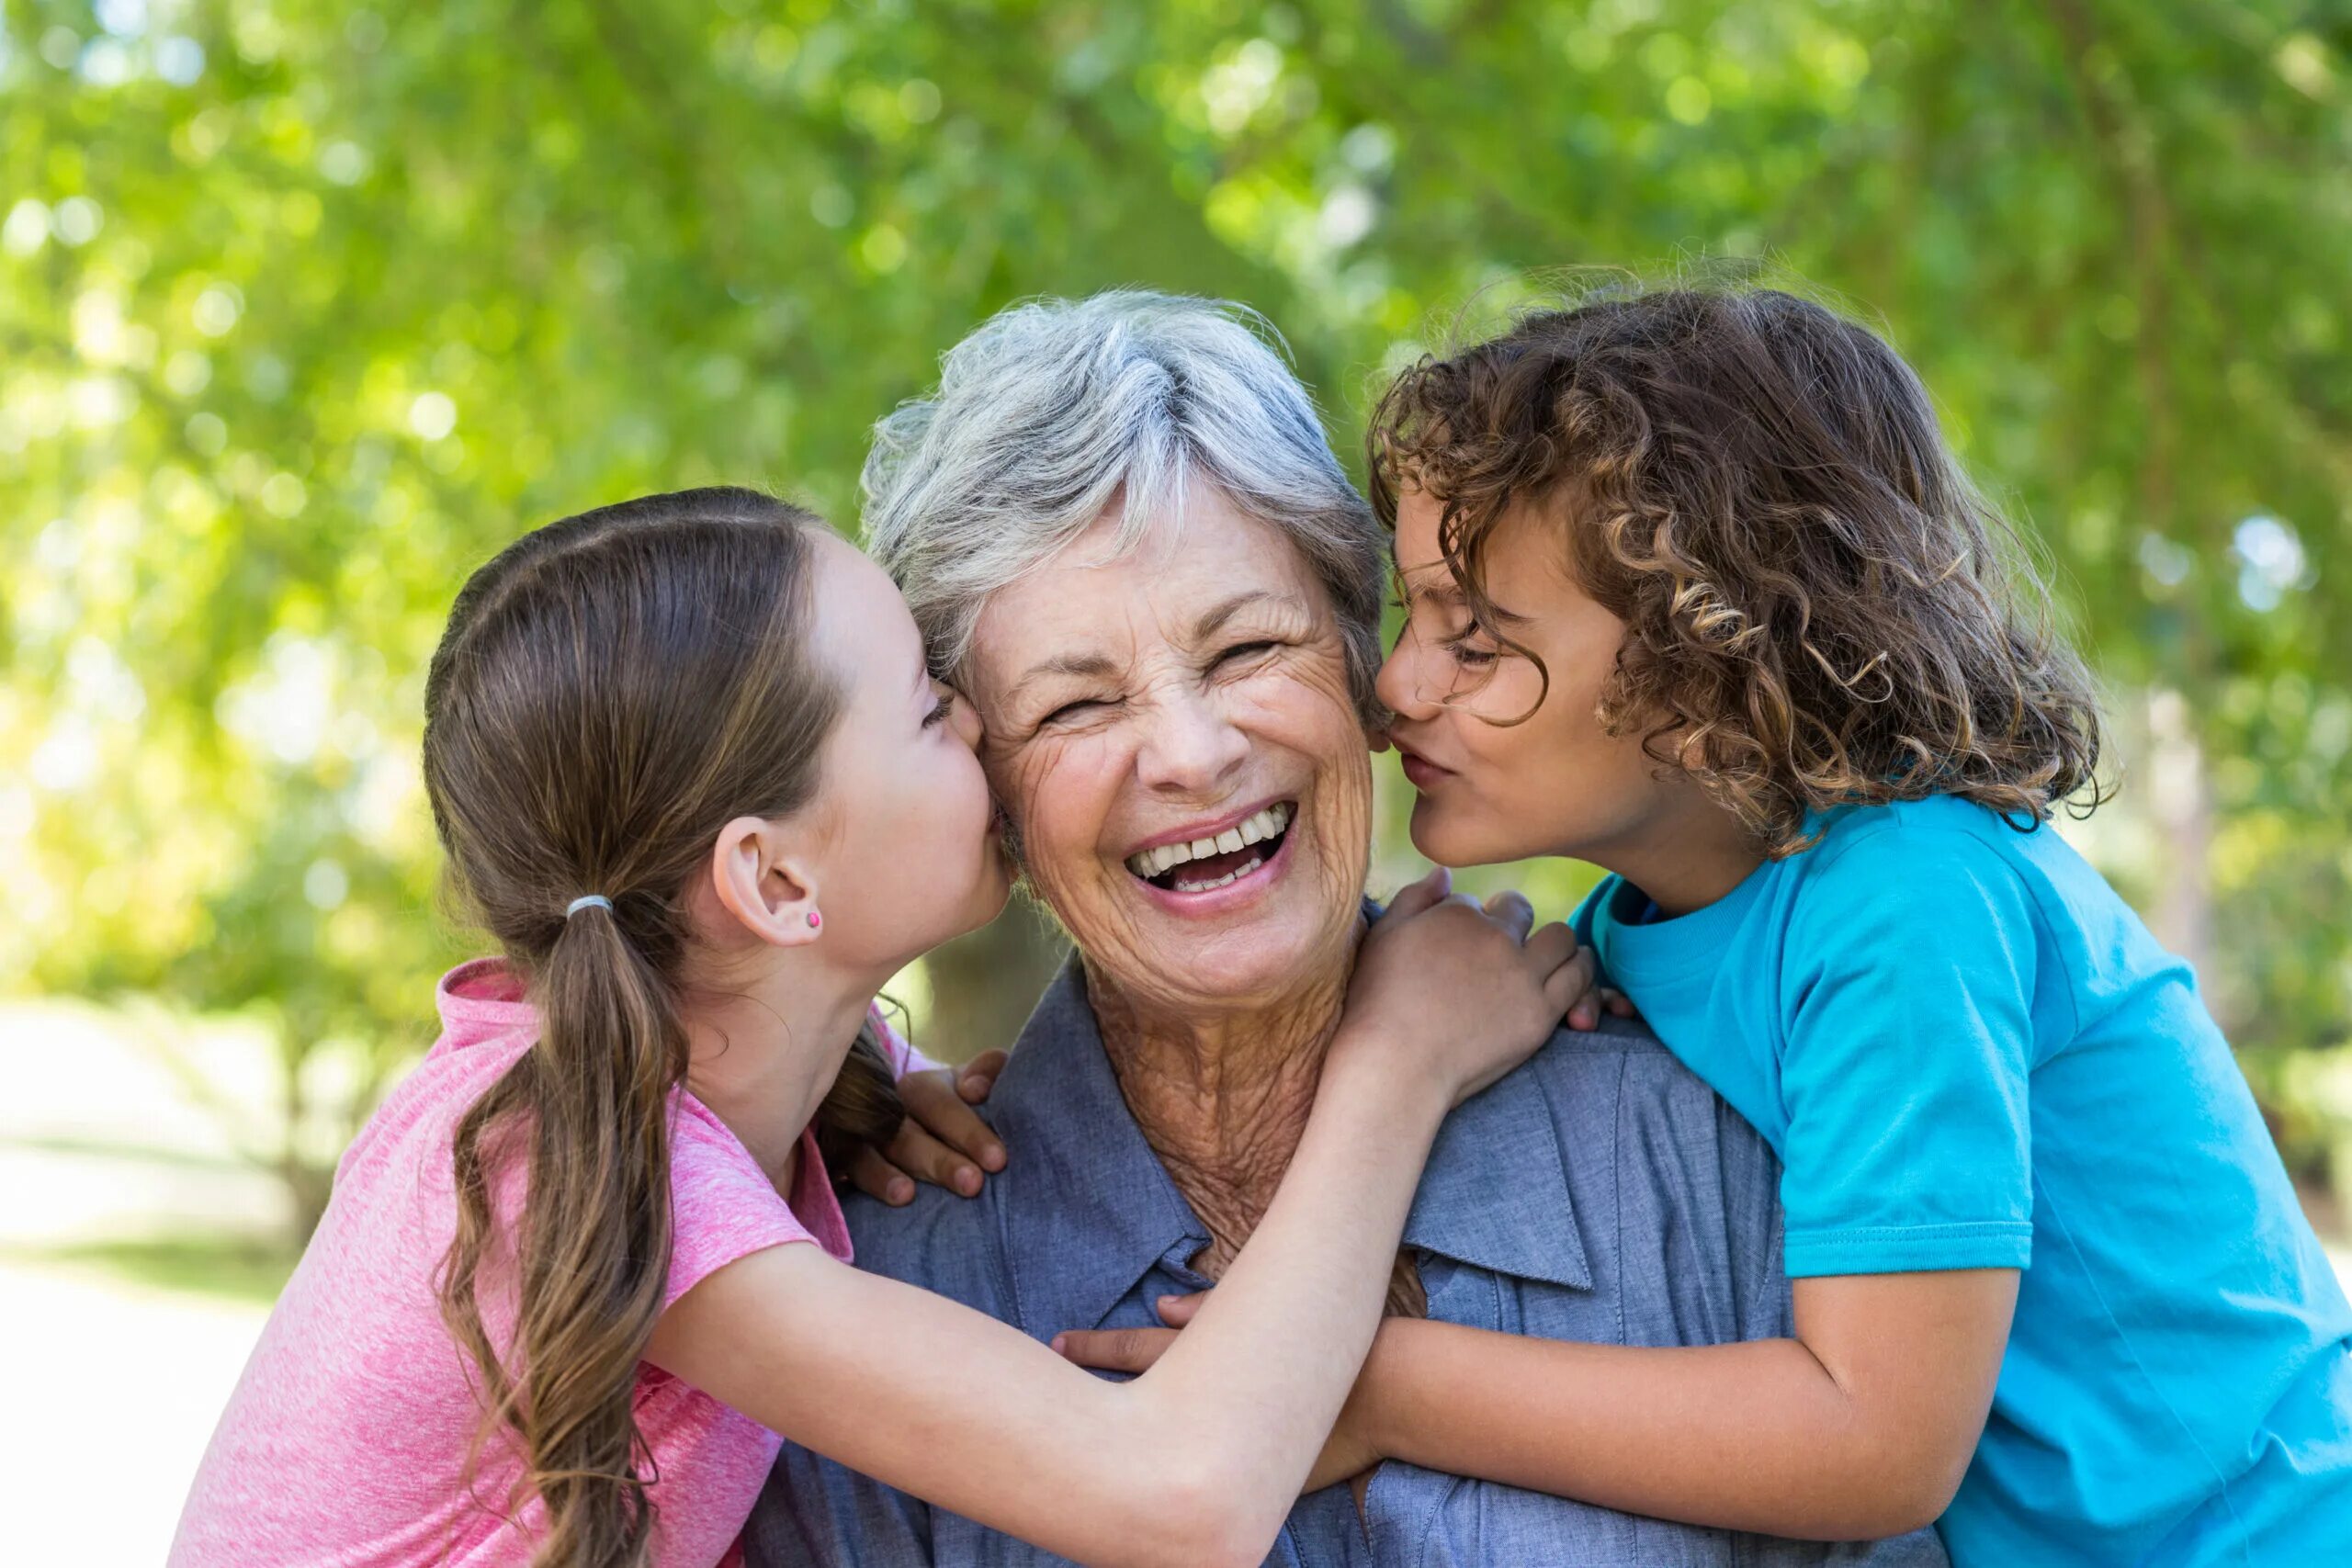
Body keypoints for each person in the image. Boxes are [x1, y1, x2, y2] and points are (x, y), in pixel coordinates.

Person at [168, 486, 1586, 1568]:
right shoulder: (585, 1168)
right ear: (774, 882)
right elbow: (1180, 1497)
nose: (981, 724)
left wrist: (863, 1082)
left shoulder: (675, 1106)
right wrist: (1398, 1065)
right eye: (924, 708)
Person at [750, 291, 1944, 1565]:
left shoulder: (1702, 1142)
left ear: (1364, 665)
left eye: (1250, 647)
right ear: (982, 794)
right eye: (1076, 707)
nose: (1196, 755)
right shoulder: (873, 1292)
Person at [1340, 282, 2352, 1562]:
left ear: (1710, 667)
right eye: (1409, 614)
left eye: (1474, 638)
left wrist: (1378, 1387)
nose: (1393, 684)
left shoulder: (1907, 896)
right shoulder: (1640, 925)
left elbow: (1875, 1444)